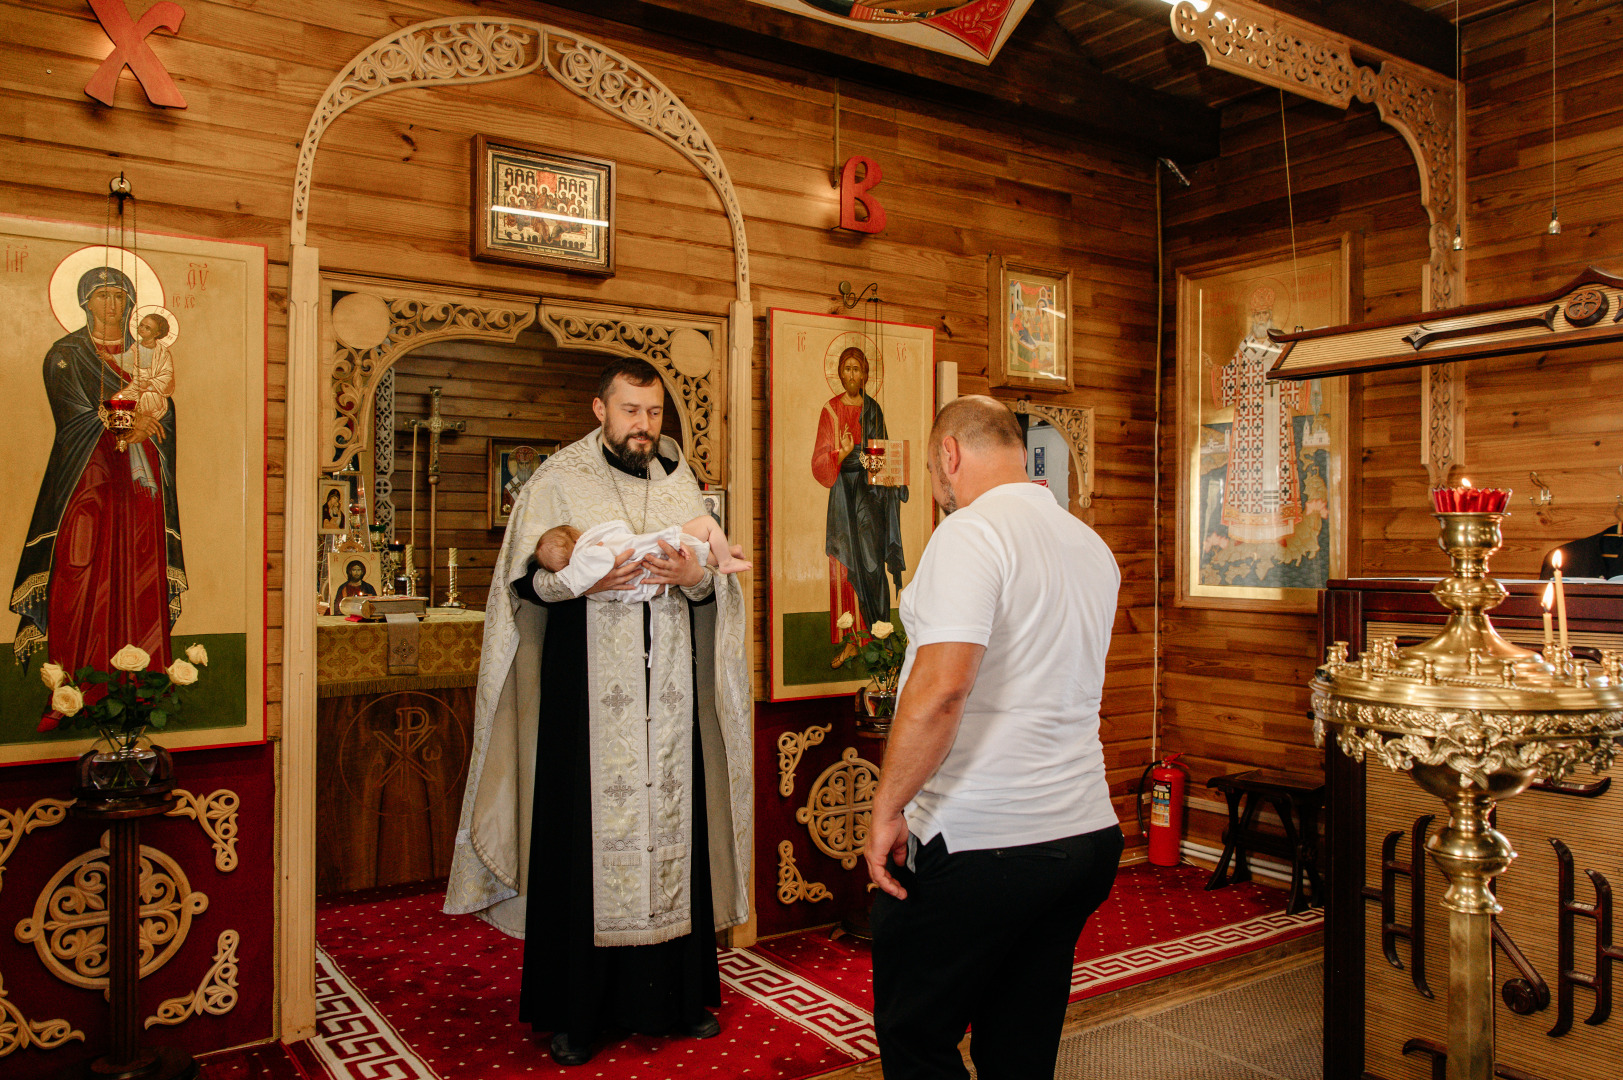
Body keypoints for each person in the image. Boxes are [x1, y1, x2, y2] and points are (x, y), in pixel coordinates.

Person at [445, 357, 752, 1068]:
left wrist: (696, 580)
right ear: (599, 410)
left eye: (652, 413)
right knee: (578, 843)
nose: (642, 426)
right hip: (584, 703)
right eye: (629, 412)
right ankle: (574, 1012)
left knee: (671, 831)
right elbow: (523, 588)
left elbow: (717, 588)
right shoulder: (558, 479)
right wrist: (582, 581)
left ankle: (673, 1000)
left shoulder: (680, 480)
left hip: (669, 700)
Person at [865, 395, 1124, 1080]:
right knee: (1019, 1043)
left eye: (931, 470)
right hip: (1081, 837)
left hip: (983, 840)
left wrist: (888, 809)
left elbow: (941, 690)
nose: (937, 489)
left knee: (914, 1032)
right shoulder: (1089, 543)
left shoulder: (971, 534)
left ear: (949, 454)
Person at [11, 265, 184, 682]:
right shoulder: (66, 355)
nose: (112, 305)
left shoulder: (150, 354)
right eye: (103, 296)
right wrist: (128, 421)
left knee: (140, 571)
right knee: (78, 566)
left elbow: (166, 405)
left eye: (121, 296)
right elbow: (71, 417)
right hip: (87, 478)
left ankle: (141, 683)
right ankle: (72, 680)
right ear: (85, 302)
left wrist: (149, 421)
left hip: (139, 485)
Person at [811, 346, 907, 663]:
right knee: (845, 562)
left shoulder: (873, 409)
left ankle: (880, 631)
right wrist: (841, 453)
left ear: (865, 374)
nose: (852, 375)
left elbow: (882, 457)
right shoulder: (831, 411)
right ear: (840, 374)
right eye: (847, 369)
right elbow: (819, 462)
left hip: (869, 493)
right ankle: (852, 639)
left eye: (857, 369)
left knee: (871, 561)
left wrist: (876, 465)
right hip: (842, 492)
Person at [1208, 286, 1304, 547]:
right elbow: (1230, 375)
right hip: (1249, 420)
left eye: (1265, 314)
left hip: (1274, 417)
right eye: (1257, 315)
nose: (1261, 319)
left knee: (1274, 473)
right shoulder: (1244, 347)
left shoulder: (1282, 345)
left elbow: (1295, 372)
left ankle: (1279, 529)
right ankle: (1243, 531)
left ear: (1271, 315)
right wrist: (1214, 369)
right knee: (1247, 473)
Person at [538, 513, 751, 603]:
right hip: (654, 555)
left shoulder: (675, 469)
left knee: (700, 557)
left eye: (655, 414)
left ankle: (730, 552)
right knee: (706, 525)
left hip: (649, 583)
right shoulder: (586, 554)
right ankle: (728, 558)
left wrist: (691, 577)